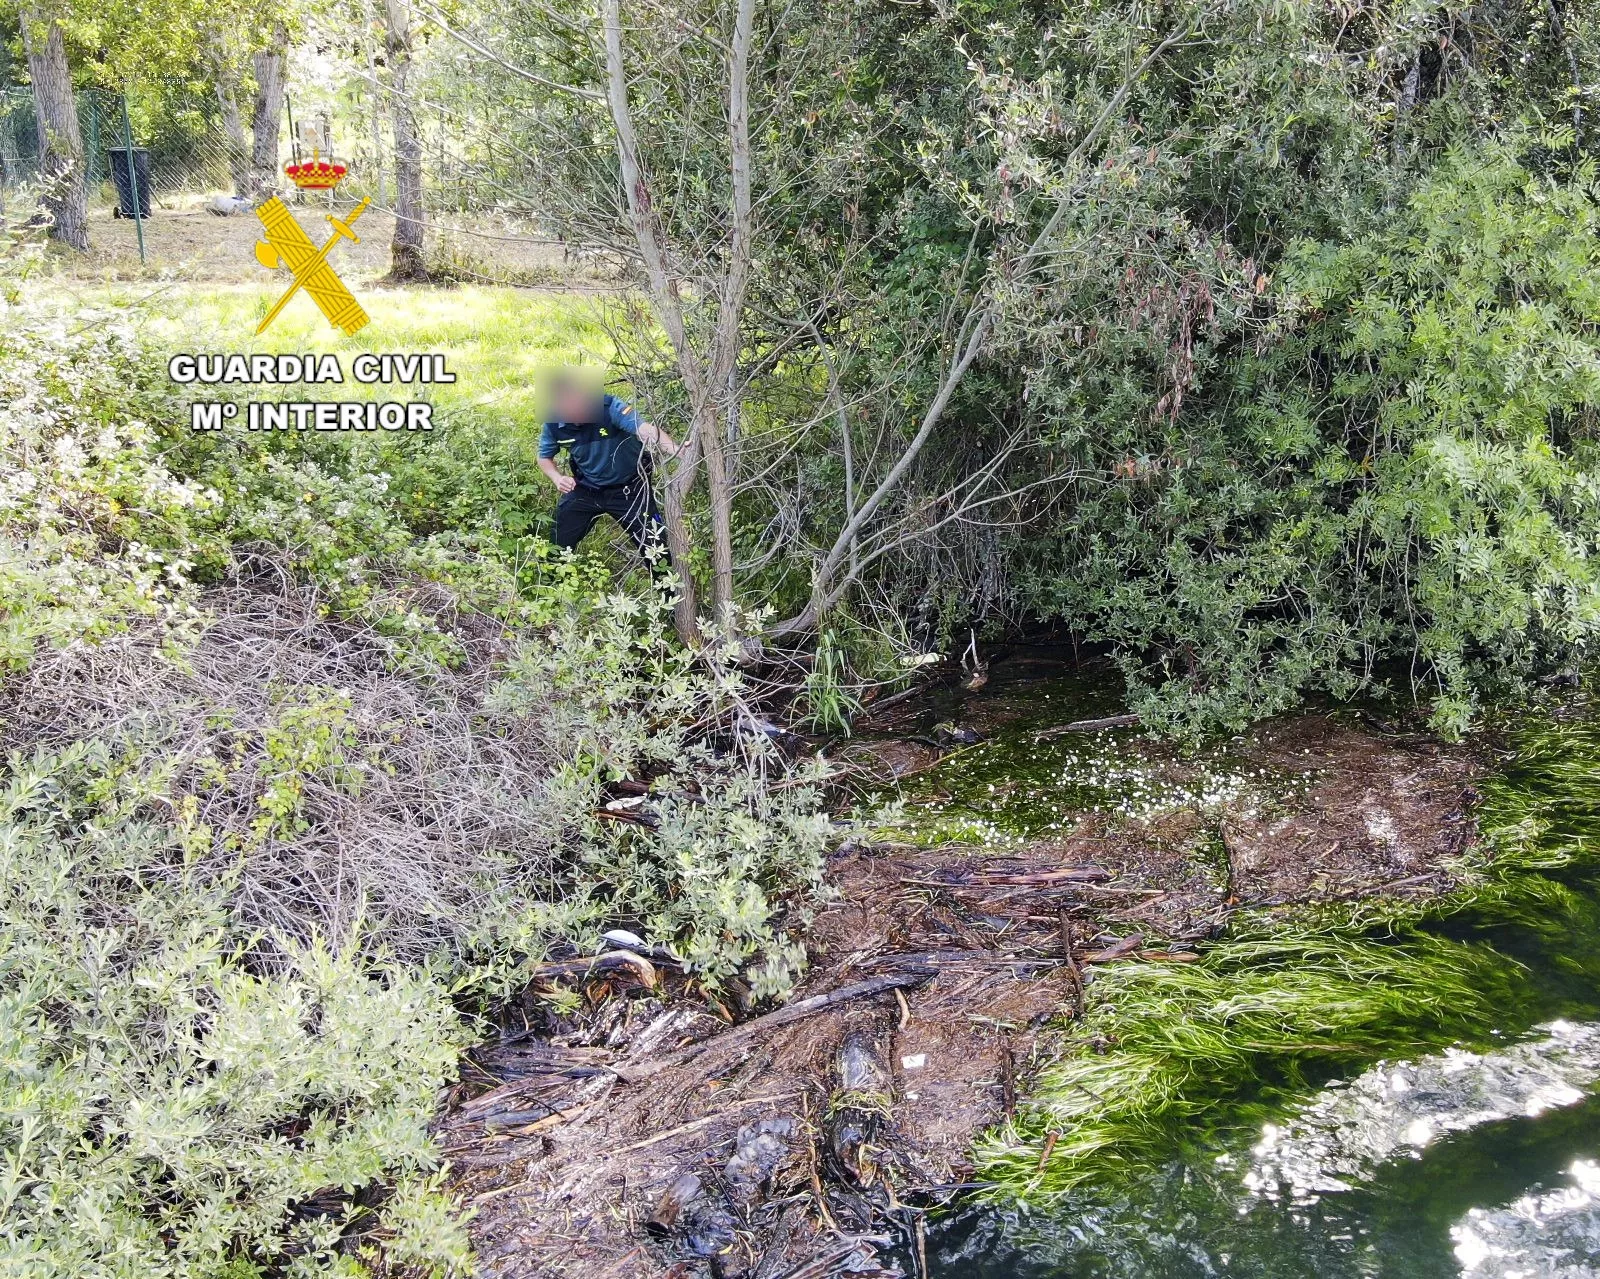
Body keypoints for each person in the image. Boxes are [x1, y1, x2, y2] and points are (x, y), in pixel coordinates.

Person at [536, 372, 681, 564]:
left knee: (656, 550)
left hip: (631, 488)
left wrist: (677, 451)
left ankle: (668, 592)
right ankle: (548, 585)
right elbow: (544, 457)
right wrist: (557, 478)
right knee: (557, 544)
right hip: (587, 488)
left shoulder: (611, 407)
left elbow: (645, 430)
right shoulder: (554, 424)